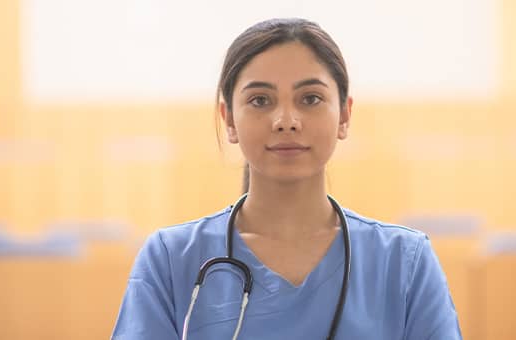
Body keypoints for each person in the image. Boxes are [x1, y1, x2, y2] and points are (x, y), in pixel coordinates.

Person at [111, 18, 461, 340]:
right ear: (229, 119)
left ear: (344, 115)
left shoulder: (405, 261)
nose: (286, 120)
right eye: (260, 100)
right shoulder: (170, 259)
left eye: (310, 99)